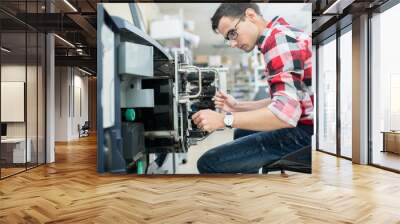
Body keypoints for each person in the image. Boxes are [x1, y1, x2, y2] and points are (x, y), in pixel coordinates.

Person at [192, 3, 314, 174]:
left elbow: (285, 116)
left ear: (250, 15)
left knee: (209, 162)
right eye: (228, 38)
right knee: (242, 132)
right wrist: (238, 106)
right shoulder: (281, 35)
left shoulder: (278, 40)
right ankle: (252, 190)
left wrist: (224, 120)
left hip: (307, 134)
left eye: (232, 34)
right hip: (305, 124)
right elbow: (287, 101)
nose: (233, 43)